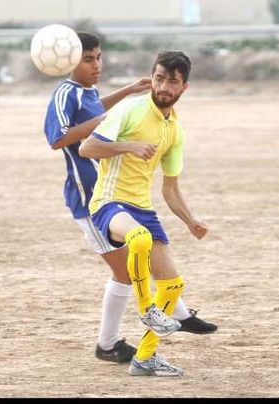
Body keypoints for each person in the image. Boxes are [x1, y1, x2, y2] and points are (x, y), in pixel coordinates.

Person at [42, 34, 217, 365]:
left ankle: (175, 312)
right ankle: (110, 343)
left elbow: (93, 111)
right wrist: (118, 125)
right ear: (68, 62)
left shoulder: (90, 94)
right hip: (89, 195)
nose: (97, 65)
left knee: (142, 259)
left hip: (121, 194)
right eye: (88, 59)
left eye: (98, 57)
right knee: (126, 270)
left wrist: (126, 92)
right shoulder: (65, 92)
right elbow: (60, 138)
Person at [79, 50, 206, 377]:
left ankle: (145, 358)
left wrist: (190, 220)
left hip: (142, 207)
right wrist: (129, 146)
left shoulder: (174, 129)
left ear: (184, 88)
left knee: (173, 285)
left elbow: (170, 188)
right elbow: (87, 148)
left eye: (172, 82)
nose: (164, 86)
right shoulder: (131, 110)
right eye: (160, 78)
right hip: (109, 203)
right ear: (152, 76)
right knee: (139, 238)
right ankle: (147, 309)